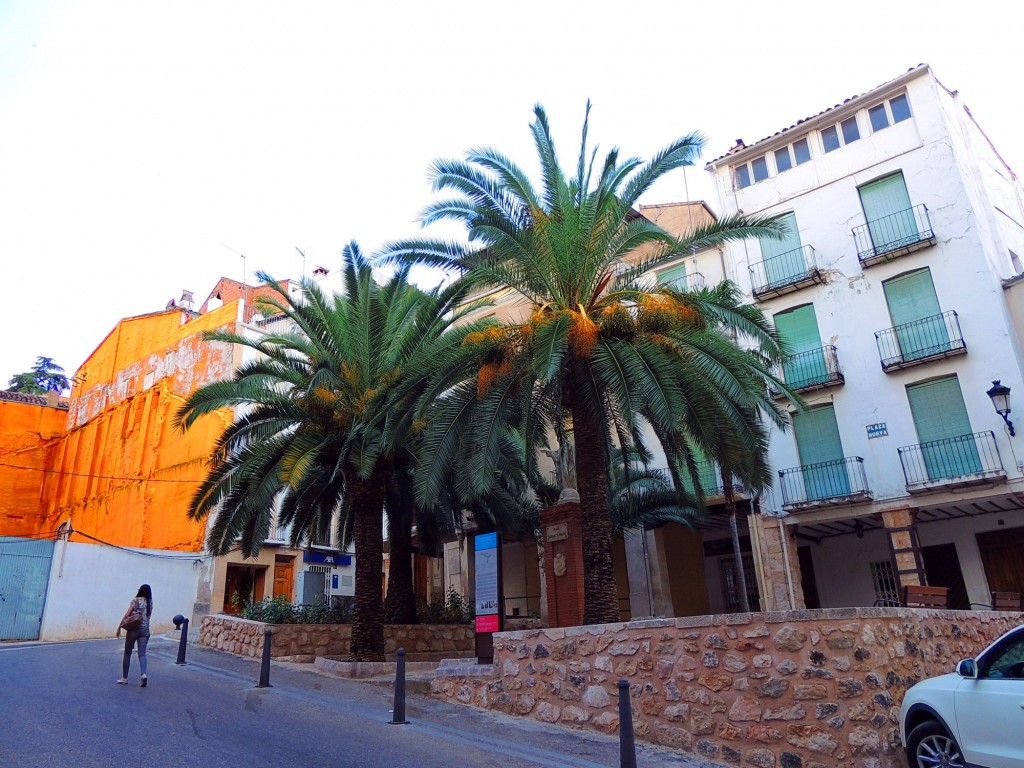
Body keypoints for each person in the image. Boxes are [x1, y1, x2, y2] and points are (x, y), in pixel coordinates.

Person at [116, 584, 152, 687]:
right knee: (142, 654)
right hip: (145, 631)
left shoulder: (136, 600)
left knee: (127, 653)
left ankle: (125, 678)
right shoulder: (150, 602)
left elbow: (127, 615)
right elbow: (148, 616)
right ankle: (143, 674)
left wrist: (119, 627)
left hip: (133, 629)